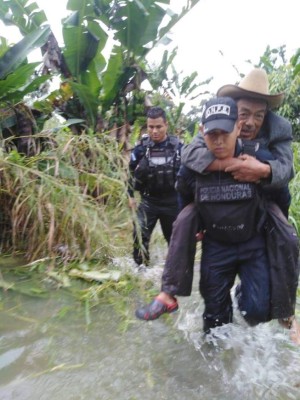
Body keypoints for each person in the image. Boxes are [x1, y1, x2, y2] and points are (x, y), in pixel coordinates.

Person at [135, 70, 300, 342]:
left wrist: (262, 171)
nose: (249, 123)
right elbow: (188, 171)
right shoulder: (216, 123)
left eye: (258, 116)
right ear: (234, 116)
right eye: (244, 114)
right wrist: (229, 165)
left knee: (286, 238)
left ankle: (285, 311)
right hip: (217, 238)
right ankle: (171, 293)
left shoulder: (274, 135)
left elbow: (284, 177)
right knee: (185, 221)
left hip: (254, 227)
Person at [128, 106, 182, 267]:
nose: (154, 131)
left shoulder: (179, 149)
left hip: (172, 202)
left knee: (175, 242)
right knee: (139, 236)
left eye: (158, 127)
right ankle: (141, 269)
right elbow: (130, 173)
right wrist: (130, 196)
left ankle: (172, 274)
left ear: (166, 125)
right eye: (151, 127)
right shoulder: (141, 149)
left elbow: (189, 176)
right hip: (148, 201)